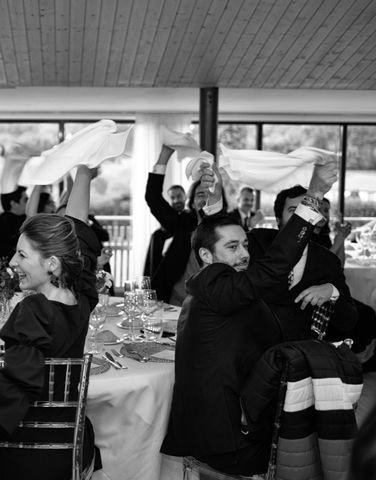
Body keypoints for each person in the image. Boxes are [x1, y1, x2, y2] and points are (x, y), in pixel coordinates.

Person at [162, 160, 337, 476]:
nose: (244, 253)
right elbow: (271, 267)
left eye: (245, 244)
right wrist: (314, 196)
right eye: (234, 247)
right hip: (227, 436)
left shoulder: (221, 282)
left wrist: (215, 201)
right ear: (206, 258)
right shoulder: (215, 283)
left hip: (227, 422)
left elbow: (215, 236)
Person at [0, 165, 102, 480]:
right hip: (74, 443)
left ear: (52, 264)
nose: (13, 262)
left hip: (24, 452)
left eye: (22, 256)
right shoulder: (82, 296)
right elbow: (77, 232)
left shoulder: (33, 311)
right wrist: (83, 175)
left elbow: (12, 396)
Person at [249, 185, 358, 343]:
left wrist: (332, 293)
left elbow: (349, 321)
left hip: (299, 353)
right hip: (251, 345)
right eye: (294, 210)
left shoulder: (327, 261)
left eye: (307, 211)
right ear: (278, 220)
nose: (302, 217)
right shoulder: (255, 242)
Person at [145, 145, 224, 304]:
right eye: (200, 194)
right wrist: (164, 155)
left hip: (215, 301)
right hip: (178, 302)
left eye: (209, 194)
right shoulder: (182, 222)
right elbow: (153, 198)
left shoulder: (227, 227)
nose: (205, 198)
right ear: (192, 203)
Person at [143, 184, 185, 277]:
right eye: (172, 198)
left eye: (179, 196)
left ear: (185, 196)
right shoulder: (159, 234)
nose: (176, 200)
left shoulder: (191, 217)